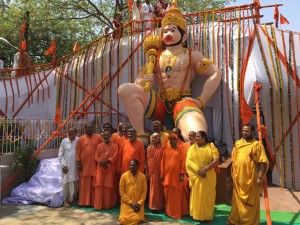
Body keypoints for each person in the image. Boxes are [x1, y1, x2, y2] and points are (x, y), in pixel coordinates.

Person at [118, 0, 221, 144]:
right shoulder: (155, 57)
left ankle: (195, 153)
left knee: (196, 134)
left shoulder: (191, 55)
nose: (168, 34)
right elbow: (137, 84)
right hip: (160, 104)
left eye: (173, 30)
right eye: (165, 31)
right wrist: (145, 81)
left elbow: (215, 73)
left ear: (184, 37)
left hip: (183, 103)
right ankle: (141, 136)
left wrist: (201, 100)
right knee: (125, 89)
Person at [227, 124, 269, 225]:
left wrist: (260, 177)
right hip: (238, 178)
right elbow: (234, 160)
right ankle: (234, 221)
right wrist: (231, 174)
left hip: (252, 180)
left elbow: (262, 162)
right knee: (236, 202)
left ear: (253, 132)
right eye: (243, 131)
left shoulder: (257, 145)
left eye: (247, 131)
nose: (244, 133)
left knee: (251, 203)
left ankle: (249, 222)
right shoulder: (238, 144)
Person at [186, 131, 219, 224]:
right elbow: (188, 161)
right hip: (197, 176)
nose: (196, 138)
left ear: (204, 137)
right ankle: (196, 215)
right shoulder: (192, 148)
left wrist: (205, 169)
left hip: (208, 176)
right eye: (196, 137)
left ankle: (208, 216)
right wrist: (198, 170)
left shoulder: (211, 146)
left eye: (198, 136)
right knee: (197, 196)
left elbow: (216, 160)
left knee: (209, 196)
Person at [76, 123, 103, 207]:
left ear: (93, 128)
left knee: (94, 183)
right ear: (85, 129)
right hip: (84, 165)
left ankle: (93, 202)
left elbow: (103, 147)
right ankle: (84, 202)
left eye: (91, 127)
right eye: (88, 127)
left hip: (95, 164)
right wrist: (78, 163)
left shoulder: (98, 137)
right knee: (84, 184)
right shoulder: (81, 139)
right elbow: (77, 152)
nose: (89, 129)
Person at [161, 134, 187, 219]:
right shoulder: (165, 150)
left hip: (177, 177)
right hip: (168, 176)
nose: (172, 141)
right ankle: (169, 212)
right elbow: (162, 163)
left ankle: (176, 213)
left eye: (173, 139)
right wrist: (162, 174)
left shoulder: (181, 150)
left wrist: (182, 174)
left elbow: (183, 163)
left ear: (177, 140)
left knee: (176, 195)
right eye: (170, 139)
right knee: (168, 194)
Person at [94, 131, 119, 210]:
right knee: (99, 187)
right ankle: (98, 206)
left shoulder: (115, 146)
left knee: (108, 188)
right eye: (104, 135)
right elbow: (96, 156)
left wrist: (108, 161)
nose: (106, 137)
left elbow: (115, 156)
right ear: (102, 136)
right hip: (100, 169)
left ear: (110, 136)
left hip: (109, 170)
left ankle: (107, 205)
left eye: (107, 135)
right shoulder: (99, 146)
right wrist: (101, 162)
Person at [119, 159, 147, 225]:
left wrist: (139, 203)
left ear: (138, 167)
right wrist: (131, 203)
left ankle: (139, 216)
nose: (132, 166)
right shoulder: (124, 176)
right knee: (123, 221)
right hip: (127, 203)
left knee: (136, 219)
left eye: (134, 165)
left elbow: (144, 192)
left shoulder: (142, 176)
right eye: (130, 165)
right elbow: (121, 192)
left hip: (138, 205)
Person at [58, 127, 79, 207]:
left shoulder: (78, 140)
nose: (70, 133)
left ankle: (73, 200)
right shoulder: (64, 141)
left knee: (75, 184)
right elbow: (60, 155)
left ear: (75, 133)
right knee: (65, 184)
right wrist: (63, 166)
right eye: (69, 132)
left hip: (75, 167)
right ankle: (65, 201)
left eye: (72, 132)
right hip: (66, 167)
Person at [146, 133, 165, 211]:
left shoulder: (163, 148)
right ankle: (152, 206)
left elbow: (164, 161)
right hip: (151, 171)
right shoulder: (148, 148)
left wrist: (163, 172)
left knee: (159, 190)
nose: (154, 139)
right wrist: (147, 172)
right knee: (152, 188)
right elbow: (147, 161)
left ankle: (159, 206)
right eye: (152, 138)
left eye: (155, 138)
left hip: (159, 172)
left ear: (159, 139)